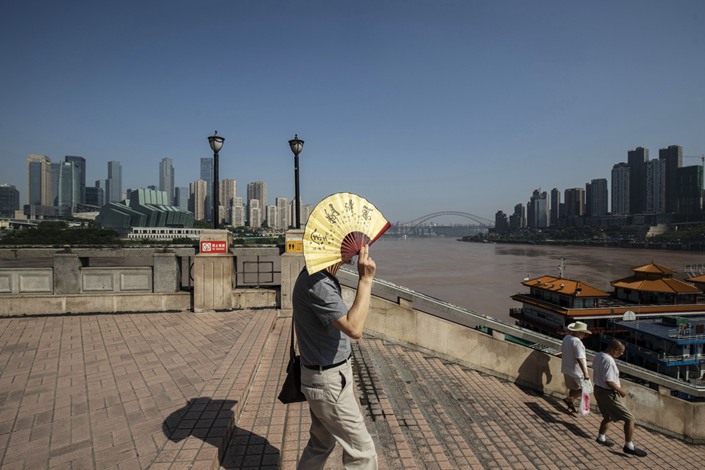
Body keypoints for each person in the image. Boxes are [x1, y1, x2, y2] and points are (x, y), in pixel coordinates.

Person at [293, 244, 378, 470]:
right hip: (328, 381)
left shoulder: (319, 277)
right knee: (363, 452)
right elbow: (354, 328)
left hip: (325, 377)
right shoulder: (317, 283)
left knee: (321, 443)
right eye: (348, 246)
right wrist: (366, 279)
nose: (354, 251)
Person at [593, 339, 648, 457]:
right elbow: (609, 381)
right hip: (608, 392)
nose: (622, 354)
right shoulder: (609, 361)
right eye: (621, 352)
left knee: (608, 416)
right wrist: (621, 391)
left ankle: (601, 438)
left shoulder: (599, 355)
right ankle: (629, 446)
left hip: (597, 389)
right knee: (629, 418)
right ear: (615, 350)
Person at [560, 321, 591, 413]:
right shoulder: (578, 343)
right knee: (588, 388)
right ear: (579, 333)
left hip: (566, 368)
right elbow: (580, 358)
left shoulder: (566, 338)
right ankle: (571, 399)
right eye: (584, 334)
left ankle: (570, 406)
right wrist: (585, 373)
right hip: (576, 370)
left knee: (573, 388)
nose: (584, 336)